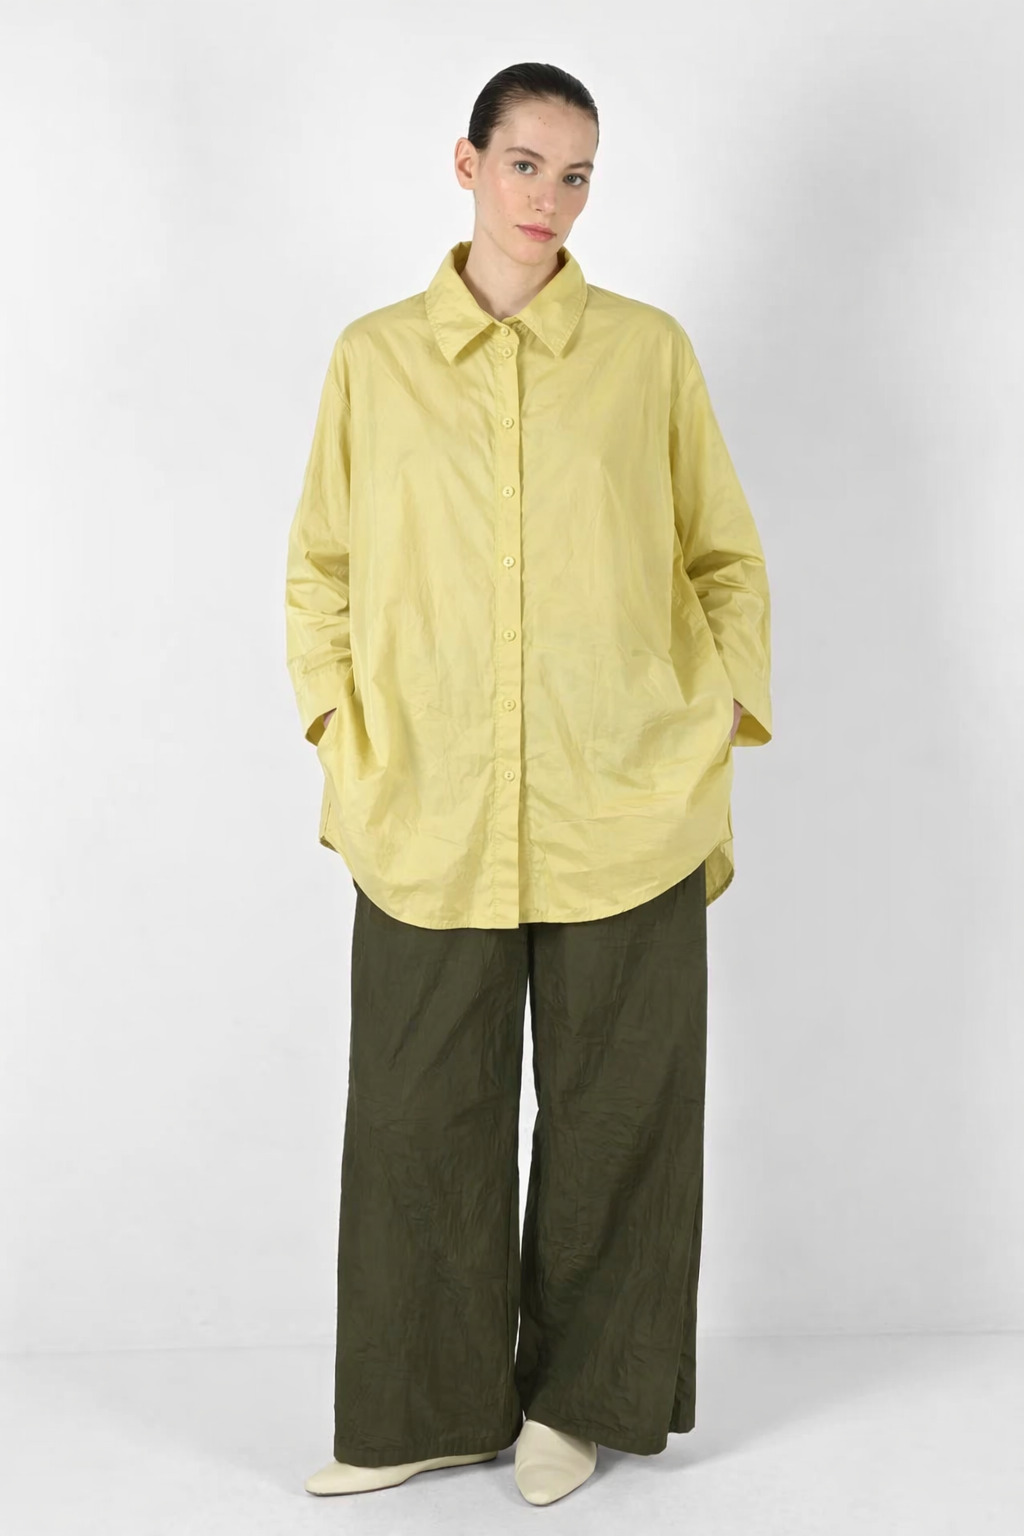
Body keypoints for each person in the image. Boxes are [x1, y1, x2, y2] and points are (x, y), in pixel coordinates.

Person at [284, 61, 772, 1507]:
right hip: (426, 798)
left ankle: (581, 1402)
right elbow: (321, 567)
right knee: (416, 1114)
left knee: (619, 1110)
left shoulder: (647, 354)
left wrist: (714, 710)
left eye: (576, 175)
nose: (548, 199)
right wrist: (337, 721)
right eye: (524, 165)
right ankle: (423, 1408)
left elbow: (723, 555)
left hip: (625, 792)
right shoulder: (374, 359)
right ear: (467, 164)